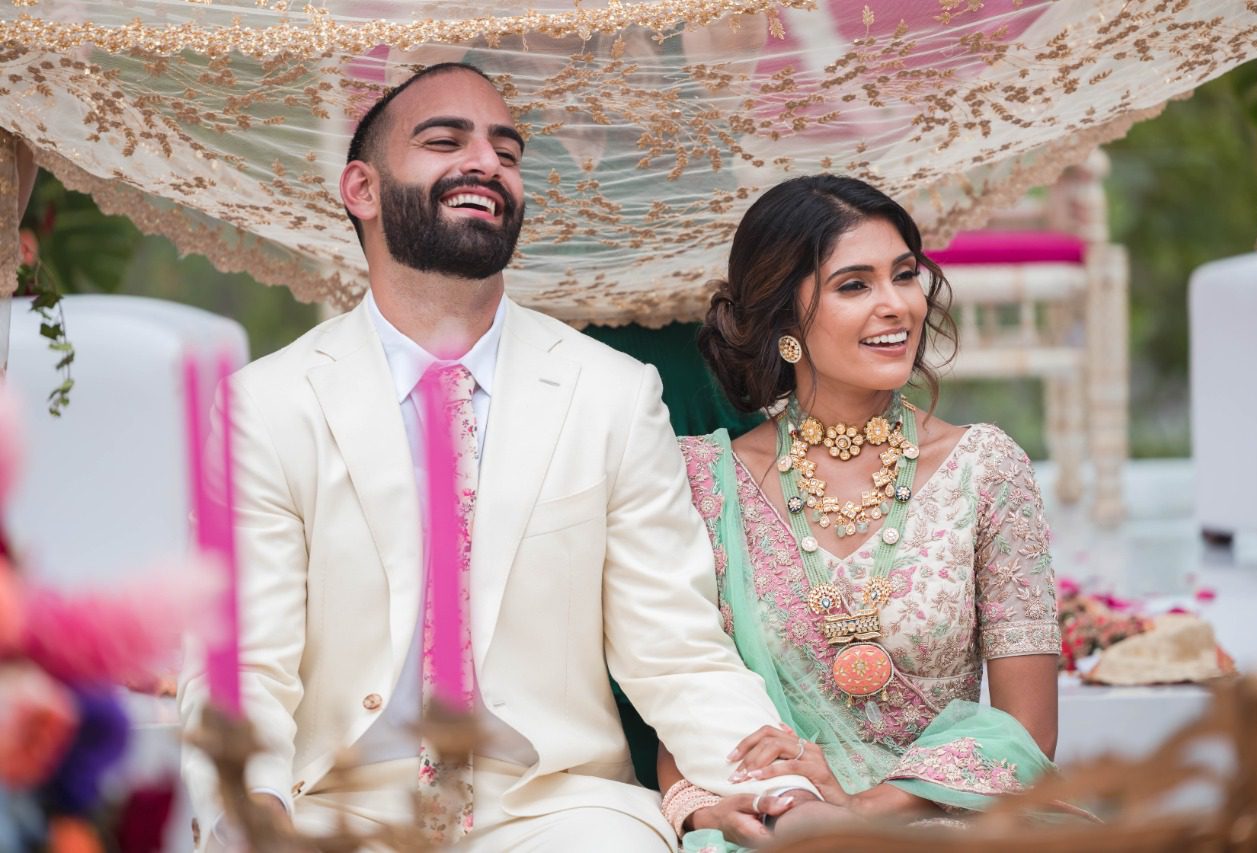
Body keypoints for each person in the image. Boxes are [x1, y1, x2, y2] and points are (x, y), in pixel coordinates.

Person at [176, 62, 818, 852]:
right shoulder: (266, 406)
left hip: (562, 809)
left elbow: (676, 650)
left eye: (507, 153)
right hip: (336, 805)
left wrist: (778, 787)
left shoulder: (612, 395)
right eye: (445, 141)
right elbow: (242, 664)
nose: (486, 162)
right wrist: (254, 819)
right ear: (362, 188)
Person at [659, 174, 1061, 850]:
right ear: (784, 322)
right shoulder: (704, 481)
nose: (897, 305)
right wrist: (701, 812)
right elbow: (680, 699)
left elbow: (1029, 731)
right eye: (854, 285)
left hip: (949, 824)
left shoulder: (984, 468)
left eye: (904, 276)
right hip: (776, 827)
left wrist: (862, 807)